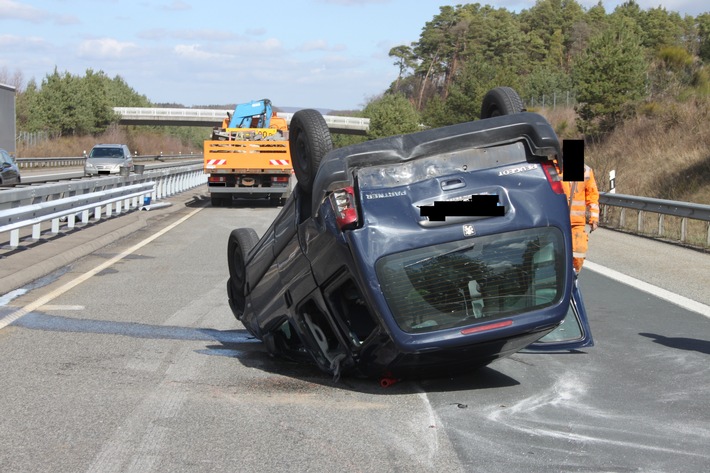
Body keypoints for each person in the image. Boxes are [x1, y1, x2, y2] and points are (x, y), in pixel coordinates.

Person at [562, 164, 599, 274]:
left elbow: (592, 196)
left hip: (577, 223)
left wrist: (594, 218)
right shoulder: (554, 168)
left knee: (578, 254)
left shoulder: (586, 171)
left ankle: (574, 276)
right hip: (558, 222)